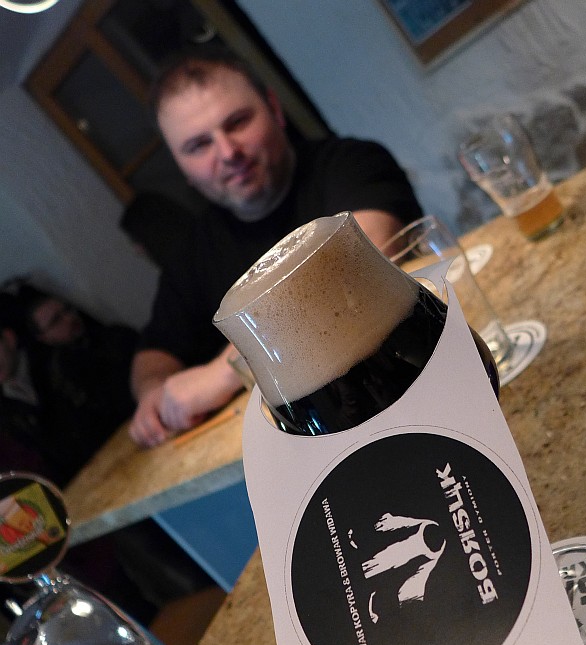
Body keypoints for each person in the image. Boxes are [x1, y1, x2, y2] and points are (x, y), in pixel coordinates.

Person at [130, 45, 423, 447]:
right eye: (198, 145)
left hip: (414, 390)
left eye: (237, 122)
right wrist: (155, 396)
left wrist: (223, 373)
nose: (228, 152)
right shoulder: (192, 251)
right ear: (181, 165)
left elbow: (359, 267)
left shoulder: (351, 162)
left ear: (274, 109)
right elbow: (154, 353)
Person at [0, 284, 138, 486]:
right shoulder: (6, 412)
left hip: (128, 450)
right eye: (56, 319)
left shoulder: (62, 359)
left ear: (9, 339)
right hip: (91, 482)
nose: (68, 320)